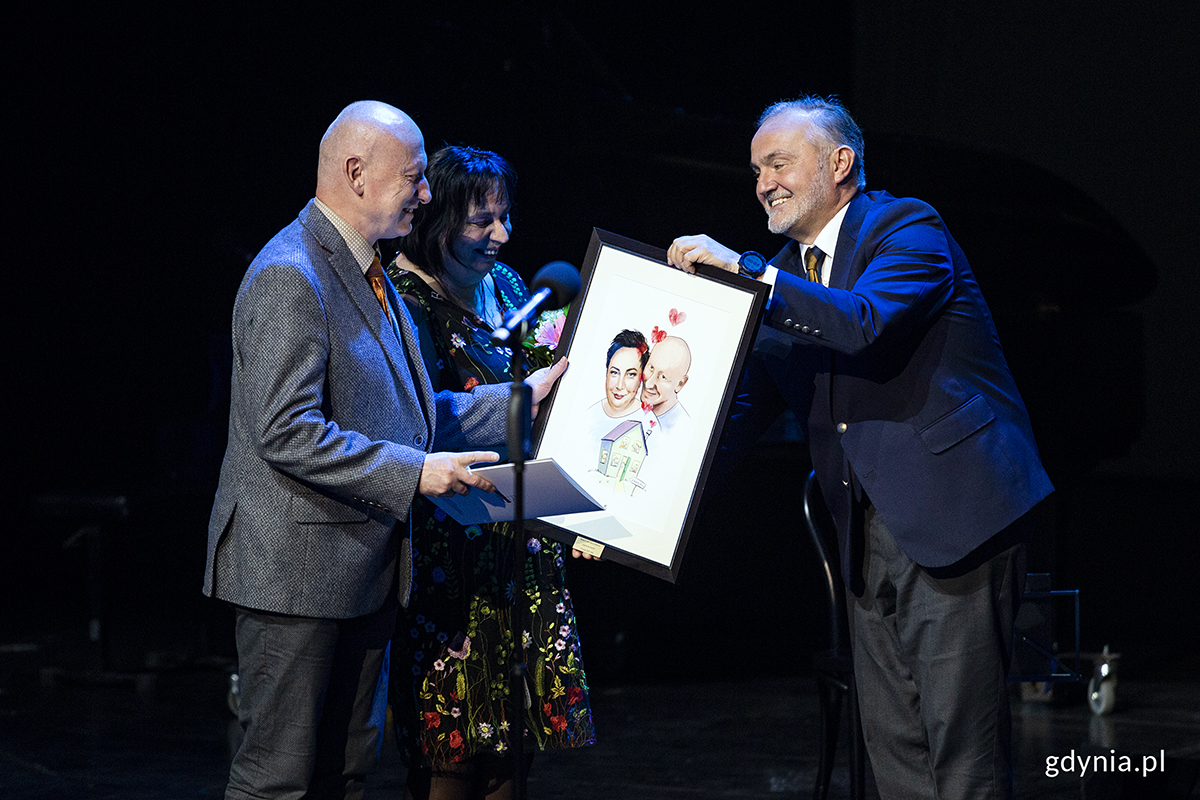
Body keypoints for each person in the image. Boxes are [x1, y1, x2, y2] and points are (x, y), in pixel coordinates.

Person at [668, 95, 1053, 799]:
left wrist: (750, 276)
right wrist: (637, 510)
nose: (762, 183)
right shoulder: (783, 272)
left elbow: (864, 321)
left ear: (840, 163)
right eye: (755, 170)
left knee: (963, 759)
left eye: (778, 162)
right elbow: (737, 416)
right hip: (864, 534)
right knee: (895, 754)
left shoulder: (907, 226)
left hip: (955, 519)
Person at [204, 103, 565, 800]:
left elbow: (410, 413)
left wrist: (526, 401)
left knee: (343, 773)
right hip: (295, 579)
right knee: (279, 780)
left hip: (361, 572)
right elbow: (286, 431)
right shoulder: (292, 273)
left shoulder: (367, 273)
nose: (426, 194)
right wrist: (418, 473)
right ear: (355, 174)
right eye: (415, 178)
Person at [384, 145, 594, 799]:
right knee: (453, 753)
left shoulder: (509, 288)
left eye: (504, 218)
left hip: (520, 551)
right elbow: (412, 423)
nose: (501, 236)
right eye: (482, 222)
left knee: (513, 751)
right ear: (438, 219)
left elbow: (557, 367)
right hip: (452, 561)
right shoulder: (403, 301)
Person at [639, 335, 692, 435]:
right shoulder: (633, 410)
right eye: (651, 368)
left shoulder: (680, 430)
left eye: (663, 377)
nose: (649, 383)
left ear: (680, 384)